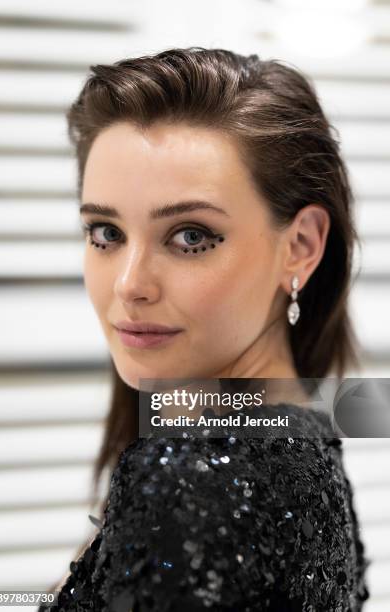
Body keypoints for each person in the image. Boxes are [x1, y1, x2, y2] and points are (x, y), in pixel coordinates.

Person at [37, 46, 370, 611]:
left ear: (302, 245)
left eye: (190, 236)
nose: (130, 284)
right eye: (106, 233)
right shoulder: (302, 441)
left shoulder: (190, 475)